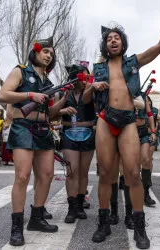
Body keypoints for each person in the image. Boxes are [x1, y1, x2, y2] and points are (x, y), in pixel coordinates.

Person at [87, 6, 160, 248]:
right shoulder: (97, 69)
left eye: (116, 37)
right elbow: (85, 100)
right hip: (104, 119)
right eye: (109, 39)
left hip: (129, 120)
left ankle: (140, 227)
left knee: (133, 173)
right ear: (104, 45)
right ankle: (103, 223)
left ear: (123, 42)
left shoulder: (133, 61)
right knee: (106, 174)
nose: (113, 41)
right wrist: (93, 86)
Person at [0, 36, 70, 246]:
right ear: (36, 52)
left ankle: (37, 218)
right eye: (45, 51)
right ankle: (16, 226)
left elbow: (50, 113)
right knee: (22, 176)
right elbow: (3, 94)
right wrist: (30, 94)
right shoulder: (21, 71)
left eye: (51, 53)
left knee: (47, 175)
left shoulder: (47, 82)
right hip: (23, 128)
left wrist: (64, 99)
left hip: (43, 129)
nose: (49, 55)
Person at [58, 64, 95, 223]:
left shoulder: (93, 92)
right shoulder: (64, 92)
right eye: (82, 76)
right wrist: (64, 110)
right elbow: (52, 112)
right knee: (72, 171)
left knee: (83, 172)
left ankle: (80, 205)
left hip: (88, 134)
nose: (85, 78)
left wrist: (92, 87)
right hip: (68, 134)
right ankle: (71, 208)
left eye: (87, 76)